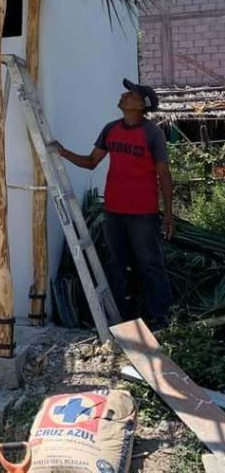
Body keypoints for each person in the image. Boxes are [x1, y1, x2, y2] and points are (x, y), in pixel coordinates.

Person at [54, 79, 174, 328]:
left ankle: (161, 314)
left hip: (143, 211)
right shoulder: (111, 129)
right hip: (114, 209)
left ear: (142, 105)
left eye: (130, 94)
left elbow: (164, 174)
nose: (124, 95)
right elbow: (91, 162)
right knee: (116, 262)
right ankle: (120, 315)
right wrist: (62, 152)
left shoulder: (153, 134)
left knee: (149, 262)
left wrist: (169, 214)